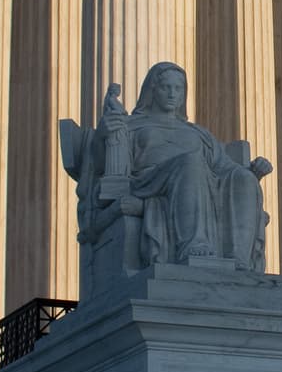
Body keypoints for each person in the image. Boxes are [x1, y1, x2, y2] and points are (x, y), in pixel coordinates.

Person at [111, 62, 271, 269]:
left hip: (198, 181)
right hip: (151, 182)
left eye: (178, 89)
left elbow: (223, 168)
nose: (172, 94)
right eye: (165, 87)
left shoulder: (198, 133)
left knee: (243, 178)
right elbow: (101, 159)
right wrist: (106, 133)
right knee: (191, 162)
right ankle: (194, 244)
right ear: (152, 90)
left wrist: (253, 172)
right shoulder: (132, 126)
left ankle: (238, 259)